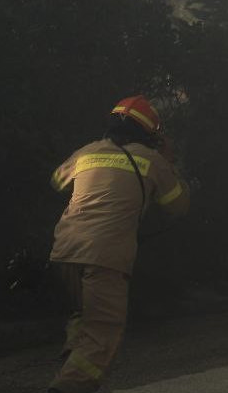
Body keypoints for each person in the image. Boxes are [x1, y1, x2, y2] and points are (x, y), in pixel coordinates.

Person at [47, 95, 190, 393]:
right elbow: (177, 205)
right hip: (105, 258)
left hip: (63, 252)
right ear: (150, 133)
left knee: (81, 323)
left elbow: (57, 182)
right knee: (102, 338)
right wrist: (169, 162)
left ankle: (67, 379)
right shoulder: (152, 161)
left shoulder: (87, 152)